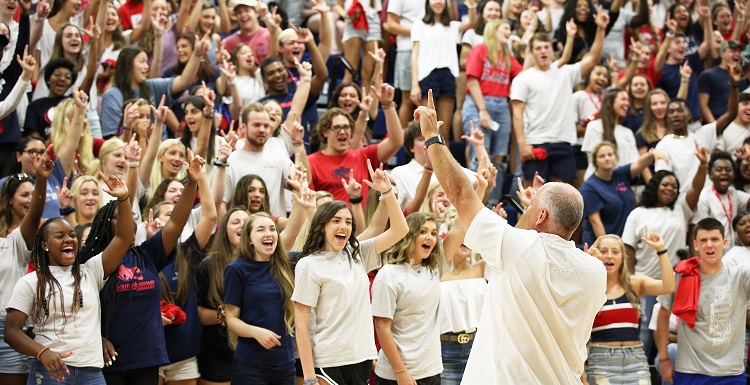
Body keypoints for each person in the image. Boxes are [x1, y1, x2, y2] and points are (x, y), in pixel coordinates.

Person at [416, 90, 606, 383]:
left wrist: (431, 136)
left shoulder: (519, 248)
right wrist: (538, 206)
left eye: (530, 207)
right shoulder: (595, 270)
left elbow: (460, 193)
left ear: (541, 217)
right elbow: (522, 259)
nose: (526, 210)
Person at [3, 168, 133, 385]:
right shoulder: (30, 281)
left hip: (91, 372)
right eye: (60, 236)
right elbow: (11, 331)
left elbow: (124, 237)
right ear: (44, 245)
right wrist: (42, 351)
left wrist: (124, 198)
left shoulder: (91, 271)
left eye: (72, 235)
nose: (69, 240)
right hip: (50, 371)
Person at [293, 161, 409, 385]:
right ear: (322, 226)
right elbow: (301, 323)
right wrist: (308, 378)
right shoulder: (308, 264)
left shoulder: (357, 254)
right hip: (327, 360)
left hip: (361, 357)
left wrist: (387, 192)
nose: (343, 226)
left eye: (348, 222)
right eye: (336, 221)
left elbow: (400, 230)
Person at [510, 7, 608, 186]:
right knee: (531, 198)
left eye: (546, 47)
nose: (543, 51)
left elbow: (593, 58)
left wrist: (601, 30)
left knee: (563, 199)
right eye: (538, 48)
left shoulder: (565, 73)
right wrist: (522, 144)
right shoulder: (522, 78)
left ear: (552, 50)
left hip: (563, 142)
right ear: (531, 53)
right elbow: (517, 113)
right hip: (535, 142)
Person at [372, 212, 463, 385]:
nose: (430, 237)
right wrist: (401, 371)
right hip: (395, 374)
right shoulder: (388, 274)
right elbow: (382, 326)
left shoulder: (434, 268)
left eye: (434, 233)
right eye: (423, 231)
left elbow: (459, 227)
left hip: (431, 370)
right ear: (409, 234)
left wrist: (481, 188)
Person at [656, 218, 750, 384]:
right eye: (703, 240)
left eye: (714, 239)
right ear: (696, 245)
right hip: (690, 370)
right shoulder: (680, 274)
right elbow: (663, 315)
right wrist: (663, 359)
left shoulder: (741, 276)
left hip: (731, 373)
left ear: (725, 242)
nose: (709, 245)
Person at [584, 233, 675, 384]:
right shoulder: (589, 287)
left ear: (622, 258)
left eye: (615, 252)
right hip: (601, 361)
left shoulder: (635, 284)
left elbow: (668, 286)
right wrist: (585, 264)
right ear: (596, 255)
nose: (609, 256)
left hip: (636, 361)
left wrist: (661, 249)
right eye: (604, 251)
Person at [0, 152, 52, 385]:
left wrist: (40, 181)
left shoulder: (17, 241)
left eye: (33, 194)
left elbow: (34, 216)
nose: (30, 199)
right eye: (24, 194)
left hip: (10, 328)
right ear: (9, 199)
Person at [580, 140, 667, 245]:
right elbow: (596, 222)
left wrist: (652, 153)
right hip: (599, 243)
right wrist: (608, 246)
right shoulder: (589, 187)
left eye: (610, 154)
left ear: (615, 157)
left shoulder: (621, 174)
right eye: (602, 156)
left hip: (622, 240)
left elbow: (639, 164)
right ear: (595, 161)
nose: (607, 158)